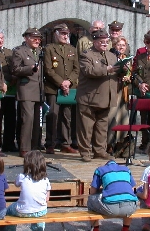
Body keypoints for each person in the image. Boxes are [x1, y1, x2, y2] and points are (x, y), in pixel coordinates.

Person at [76, 29, 119, 162]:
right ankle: (85, 152)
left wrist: (123, 69)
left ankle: (100, 151)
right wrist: (106, 69)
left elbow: (115, 73)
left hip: (106, 97)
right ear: (94, 42)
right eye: (101, 41)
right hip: (89, 97)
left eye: (106, 41)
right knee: (86, 127)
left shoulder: (111, 56)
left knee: (102, 126)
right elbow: (89, 71)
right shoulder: (86, 55)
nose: (105, 44)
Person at [43, 23, 79, 154]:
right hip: (53, 88)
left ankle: (65, 143)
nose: (65, 36)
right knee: (53, 115)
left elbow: (76, 69)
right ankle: (50, 143)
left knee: (67, 116)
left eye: (67, 34)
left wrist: (68, 82)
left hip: (69, 88)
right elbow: (48, 69)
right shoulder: (49, 49)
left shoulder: (72, 49)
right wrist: (61, 83)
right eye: (63, 34)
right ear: (56, 34)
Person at [84, 158, 138, 231]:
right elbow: (132, 189)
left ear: (106, 164)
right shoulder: (126, 169)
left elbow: (92, 192)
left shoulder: (100, 170)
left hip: (111, 208)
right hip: (129, 208)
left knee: (91, 199)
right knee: (128, 198)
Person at [6, 150, 51, 231]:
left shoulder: (22, 176)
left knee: (9, 211)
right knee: (41, 208)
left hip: (22, 210)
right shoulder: (46, 179)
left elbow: (16, 184)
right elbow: (47, 198)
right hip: (40, 211)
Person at [12, 28, 43, 157]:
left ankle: (35, 146)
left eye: (39, 38)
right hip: (26, 89)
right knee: (27, 119)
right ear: (26, 38)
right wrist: (29, 68)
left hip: (39, 90)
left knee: (37, 120)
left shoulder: (40, 51)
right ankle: (24, 147)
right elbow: (15, 69)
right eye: (33, 38)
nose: (37, 40)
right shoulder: (19, 51)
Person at [0, 28, 19, 153]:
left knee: (11, 117)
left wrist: (14, 77)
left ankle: (9, 142)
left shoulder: (8, 52)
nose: (0, 41)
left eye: (2, 38)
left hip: (11, 90)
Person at [107, 35, 131, 147]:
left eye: (123, 45)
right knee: (112, 117)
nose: (121, 47)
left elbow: (131, 73)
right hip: (113, 89)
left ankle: (121, 143)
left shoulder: (126, 58)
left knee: (123, 117)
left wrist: (128, 77)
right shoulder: (111, 57)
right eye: (119, 45)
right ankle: (109, 143)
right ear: (114, 45)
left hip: (123, 91)